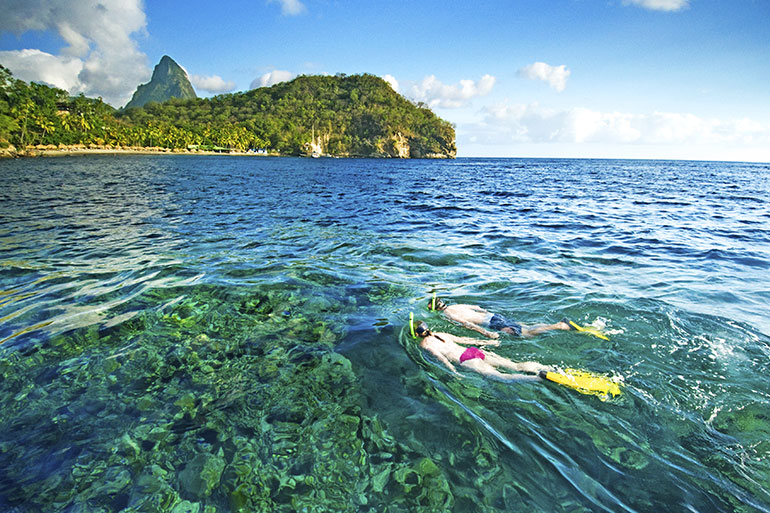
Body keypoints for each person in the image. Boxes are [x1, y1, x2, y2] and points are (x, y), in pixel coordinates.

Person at [411, 319, 552, 382]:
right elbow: (465, 339)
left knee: (500, 377)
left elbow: (440, 358)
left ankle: (538, 379)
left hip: (465, 360)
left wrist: (453, 372)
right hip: (472, 351)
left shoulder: (424, 344)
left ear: (416, 334)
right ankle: (545, 367)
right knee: (515, 366)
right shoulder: (440, 334)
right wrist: (486, 342)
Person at [427, 296, 574, 339]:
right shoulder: (456, 305)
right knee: (524, 327)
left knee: (525, 334)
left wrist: (486, 333)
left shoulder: (448, 314)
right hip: (493, 316)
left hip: (491, 323)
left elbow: (467, 324)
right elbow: (478, 308)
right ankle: (556, 325)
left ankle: (559, 326)